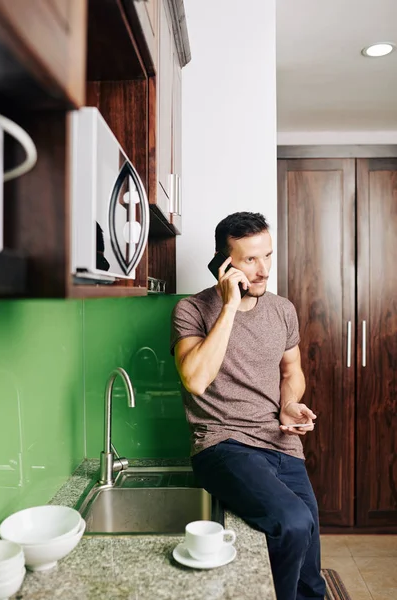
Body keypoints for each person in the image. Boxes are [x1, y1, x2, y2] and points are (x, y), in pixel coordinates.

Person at [170, 212, 326, 600]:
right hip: (223, 446)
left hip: (281, 443)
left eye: (267, 257)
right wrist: (228, 307)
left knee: (309, 561)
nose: (262, 271)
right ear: (224, 264)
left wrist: (288, 404)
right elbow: (195, 379)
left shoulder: (282, 310)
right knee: (291, 522)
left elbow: (292, 371)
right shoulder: (191, 311)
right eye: (250, 260)